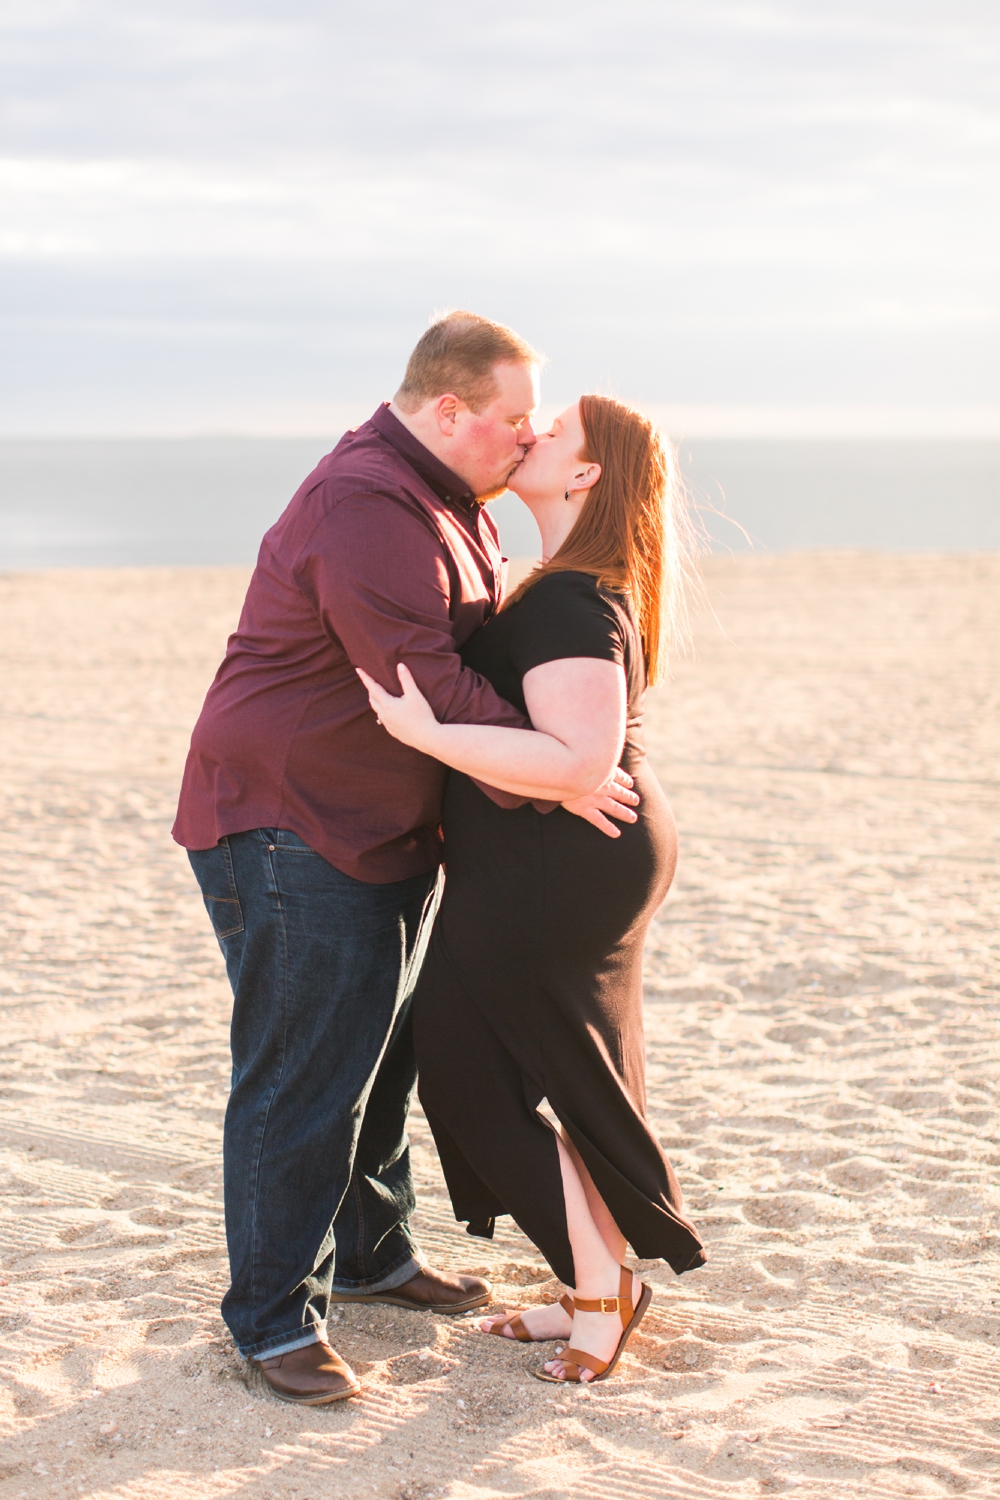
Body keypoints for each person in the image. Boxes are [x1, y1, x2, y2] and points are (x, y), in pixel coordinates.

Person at [172, 313, 639, 1405]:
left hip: (374, 820)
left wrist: (556, 760)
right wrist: (563, 767)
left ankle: (374, 1255)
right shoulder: (368, 505)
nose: (526, 440)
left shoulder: (443, 492)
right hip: (292, 822)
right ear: (448, 410)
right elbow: (425, 690)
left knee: (373, 1058)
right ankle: (272, 1319)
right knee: (303, 1074)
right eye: (513, 420)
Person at [358, 393, 707, 1386]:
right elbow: (575, 757)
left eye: (553, 432)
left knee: (471, 1074)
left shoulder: (568, 598)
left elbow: (577, 759)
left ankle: (602, 1294)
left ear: (585, 476)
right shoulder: (565, 585)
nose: (529, 432)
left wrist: (423, 733)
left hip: (555, 871)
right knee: (545, 1071)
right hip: (561, 862)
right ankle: (596, 1281)